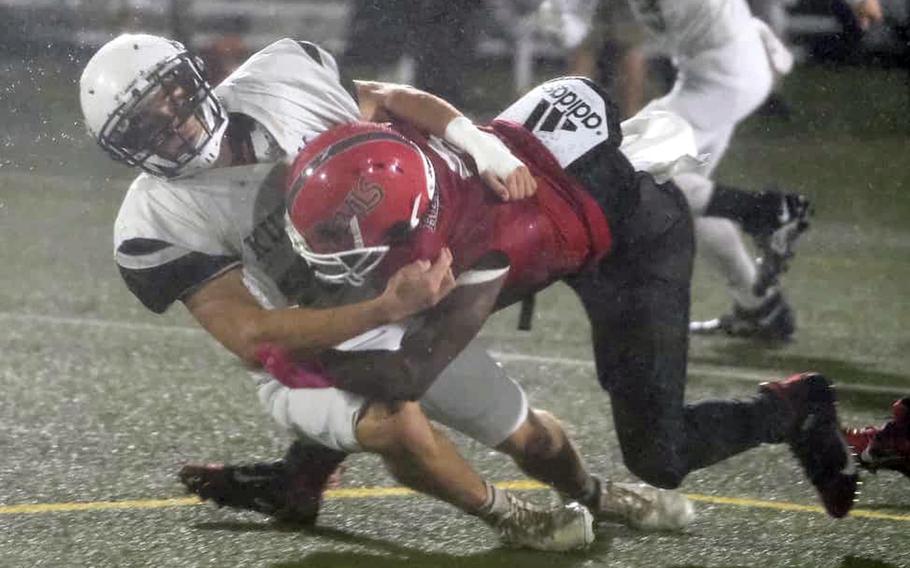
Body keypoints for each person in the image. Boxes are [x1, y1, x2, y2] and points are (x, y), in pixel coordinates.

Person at [79, 33, 695, 551]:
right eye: (147, 123)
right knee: (393, 422)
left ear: (194, 78)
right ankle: (507, 514)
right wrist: (385, 308)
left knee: (532, 436)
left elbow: (391, 100)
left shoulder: (279, 75)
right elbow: (250, 337)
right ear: (126, 148)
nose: (176, 122)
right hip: (305, 357)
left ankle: (593, 492)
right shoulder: (152, 223)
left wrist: (479, 145)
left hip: (395, 296)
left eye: (174, 97)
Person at [279, 75, 862, 521]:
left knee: (659, 454)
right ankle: (302, 475)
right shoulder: (392, 152)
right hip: (550, 183)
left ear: (417, 226)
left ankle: (794, 408)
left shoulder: (483, 248)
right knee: (369, 318)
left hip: (635, 242)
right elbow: (381, 91)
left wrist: (292, 355)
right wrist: (472, 141)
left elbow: (410, 373)